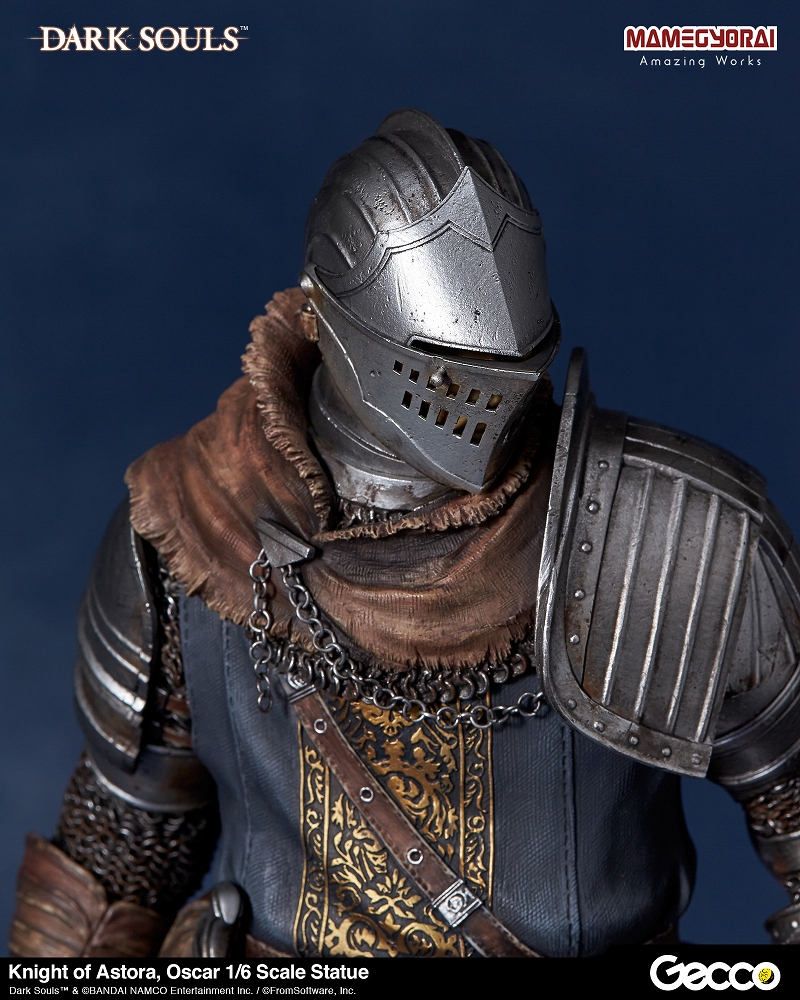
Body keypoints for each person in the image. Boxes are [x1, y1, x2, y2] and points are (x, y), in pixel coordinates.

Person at [9, 109, 800, 959]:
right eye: (445, 371)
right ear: (327, 318)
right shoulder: (192, 527)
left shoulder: (673, 533)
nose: (480, 402)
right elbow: (120, 858)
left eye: (507, 369)